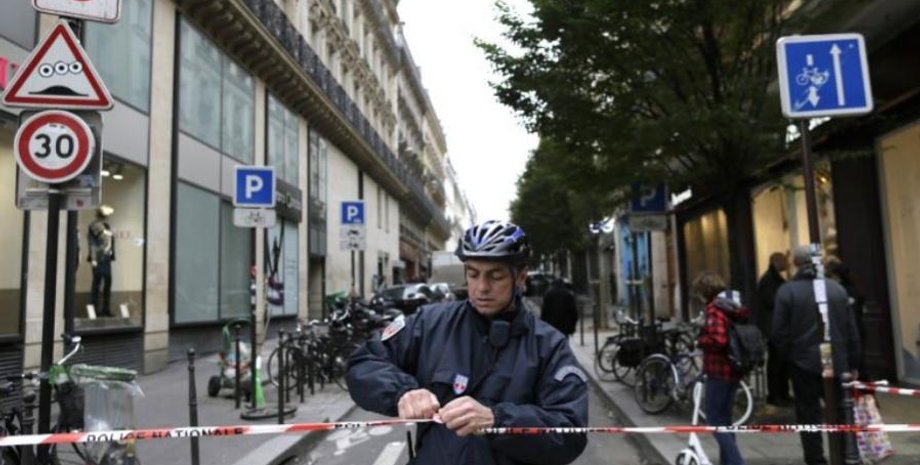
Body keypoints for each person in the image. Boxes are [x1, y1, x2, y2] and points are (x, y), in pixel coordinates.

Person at [347, 220, 588, 464]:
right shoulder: (428, 323)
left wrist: (498, 420)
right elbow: (364, 362)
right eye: (473, 274)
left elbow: (570, 432)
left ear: (521, 277)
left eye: (495, 276)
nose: (482, 287)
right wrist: (401, 392)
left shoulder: (549, 346)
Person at [772, 246, 861, 465]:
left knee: (808, 414)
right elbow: (851, 330)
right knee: (840, 411)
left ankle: (815, 459)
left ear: (796, 263)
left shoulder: (787, 291)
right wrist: (853, 362)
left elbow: (779, 333)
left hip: (803, 362)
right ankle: (845, 455)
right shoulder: (837, 290)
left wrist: (788, 358)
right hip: (835, 360)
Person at [694, 272, 748, 465]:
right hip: (733, 369)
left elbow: (718, 340)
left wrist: (700, 340)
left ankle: (735, 462)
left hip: (719, 370)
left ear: (705, 291)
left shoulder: (715, 309)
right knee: (725, 421)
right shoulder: (731, 307)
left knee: (715, 422)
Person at [756, 252, 791, 406]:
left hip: (775, 326)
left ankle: (781, 393)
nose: (787, 264)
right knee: (777, 363)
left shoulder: (772, 279)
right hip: (773, 327)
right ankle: (776, 394)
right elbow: (771, 301)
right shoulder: (770, 281)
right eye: (784, 261)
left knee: (781, 362)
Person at [87, 205, 115, 317]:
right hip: (99, 258)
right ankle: (95, 309)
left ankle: (105, 308)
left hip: (106, 257)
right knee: (97, 283)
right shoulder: (95, 226)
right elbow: (93, 244)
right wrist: (94, 258)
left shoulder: (106, 226)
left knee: (107, 282)